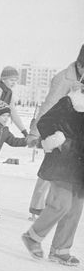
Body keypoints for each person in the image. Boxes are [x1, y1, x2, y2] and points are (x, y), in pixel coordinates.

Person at [20, 80, 84, 265]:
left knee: (75, 208)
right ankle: (33, 236)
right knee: (61, 204)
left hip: (80, 165)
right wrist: (58, 140)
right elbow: (45, 122)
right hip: (63, 161)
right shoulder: (72, 101)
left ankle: (60, 250)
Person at [26, 44, 84, 219]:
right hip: (57, 133)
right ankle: (37, 206)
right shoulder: (63, 79)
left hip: (75, 135)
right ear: (80, 65)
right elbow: (49, 105)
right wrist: (35, 132)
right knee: (51, 168)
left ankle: (57, 207)